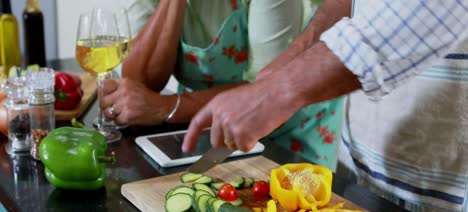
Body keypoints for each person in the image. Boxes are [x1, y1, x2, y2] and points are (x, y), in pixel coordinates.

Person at [182, 0, 468, 212]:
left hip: (450, 181)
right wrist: (293, 58)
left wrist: (277, 91)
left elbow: (434, 7)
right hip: (363, 163)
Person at [102, 0, 345, 170]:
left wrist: (164, 107)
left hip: (286, 130)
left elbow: (266, 90)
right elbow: (140, 81)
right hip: (197, 127)